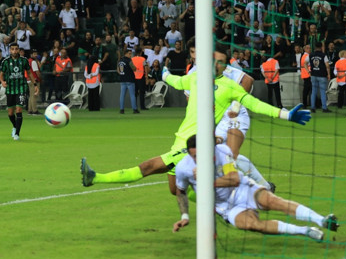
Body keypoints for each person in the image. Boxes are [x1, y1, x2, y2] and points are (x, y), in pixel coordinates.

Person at [81, 50, 311, 195]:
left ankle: (96, 177)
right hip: (179, 139)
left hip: (193, 144)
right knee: (175, 191)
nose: (215, 65)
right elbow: (175, 80)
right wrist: (164, 72)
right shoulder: (195, 77)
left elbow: (256, 104)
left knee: (148, 167)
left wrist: (286, 114)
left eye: (220, 62)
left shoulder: (229, 87)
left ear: (225, 66)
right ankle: (220, 205)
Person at [172, 135, 339, 242]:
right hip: (224, 205)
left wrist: (207, 180)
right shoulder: (183, 168)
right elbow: (180, 190)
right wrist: (185, 216)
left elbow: (234, 179)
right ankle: (305, 231)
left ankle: (321, 220)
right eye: (195, 156)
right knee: (253, 225)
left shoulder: (222, 151)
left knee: (273, 201)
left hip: (243, 189)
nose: (199, 159)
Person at [0, 42, 38, 140]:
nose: (14, 51)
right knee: (10, 113)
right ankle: (14, 126)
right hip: (10, 89)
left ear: (19, 50)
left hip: (21, 87)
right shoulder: (5, 61)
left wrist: (35, 84)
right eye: (12, 49)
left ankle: (17, 133)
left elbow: (29, 73)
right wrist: (2, 81)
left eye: (16, 49)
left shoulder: (24, 61)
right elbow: (1, 74)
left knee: (19, 110)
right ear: (9, 50)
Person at [308, 42, 331, 113]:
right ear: (321, 47)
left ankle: (312, 107)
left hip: (313, 75)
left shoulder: (310, 55)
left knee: (313, 92)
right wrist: (329, 74)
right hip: (322, 75)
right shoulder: (323, 55)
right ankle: (324, 108)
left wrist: (308, 71)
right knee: (323, 92)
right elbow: (327, 65)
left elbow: (305, 63)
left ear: (315, 47)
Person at [118, 48, 139, 114]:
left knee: (122, 95)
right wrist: (135, 68)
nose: (130, 55)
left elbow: (118, 70)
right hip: (129, 79)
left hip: (122, 79)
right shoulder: (129, 60)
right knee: (132, 95)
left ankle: (121, 109)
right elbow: (134, 68)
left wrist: (122, 74)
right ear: (126, 53)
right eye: (129, 53)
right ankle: (134, 109)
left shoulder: (120, 60)